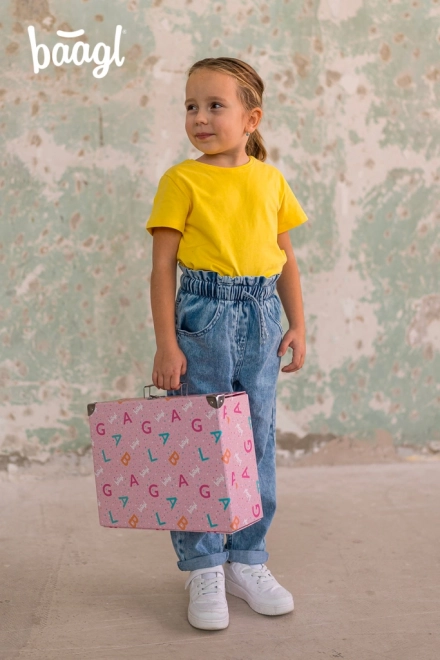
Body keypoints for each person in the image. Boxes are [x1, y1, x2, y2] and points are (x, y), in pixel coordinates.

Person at [146, 57, 308, 631]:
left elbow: (285, 256)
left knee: (255, 439)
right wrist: (168, 343)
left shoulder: (270, 180)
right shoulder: (181, 181)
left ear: (251, 118)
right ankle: (204, 564)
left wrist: (298, 323)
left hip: (262, 316)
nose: (200, 117)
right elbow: (162, 267)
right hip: (202, 318)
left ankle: (246, 558)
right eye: (191, 106)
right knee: (200, 440)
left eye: (215, 106)